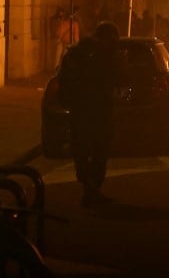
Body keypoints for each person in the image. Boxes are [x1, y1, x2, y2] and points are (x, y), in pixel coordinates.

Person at [57, 21, 122, 207]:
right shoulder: (105, 55)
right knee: (99, 150)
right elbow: (118, 77)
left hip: (79, 110)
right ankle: (92, 189)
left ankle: (88, 187)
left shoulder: (75, 54)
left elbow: (63, 78)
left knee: (82, 150)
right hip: (100, 109)